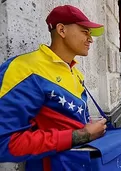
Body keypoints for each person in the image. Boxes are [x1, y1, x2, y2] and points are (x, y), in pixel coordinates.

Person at [0, 5, 107, 170]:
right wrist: (83, 135)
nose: (90, 39)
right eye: (85, 32)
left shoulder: (76, 73)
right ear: (62, 30)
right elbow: (5, 144)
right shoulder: (23, 69)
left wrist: (89, 126)